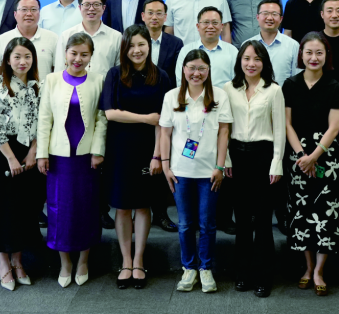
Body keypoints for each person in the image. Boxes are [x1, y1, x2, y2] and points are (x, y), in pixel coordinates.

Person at [101, 25, 176, 283]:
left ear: (149, 46)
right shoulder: (114, 74)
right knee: (122, 206)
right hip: (119, 148)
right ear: (124, 48)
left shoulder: (161, 76)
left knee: (143, 205)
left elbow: (163, 121)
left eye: (141, 44)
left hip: (149, 149)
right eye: (131, 45)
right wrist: (145, 118)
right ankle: (125, 261)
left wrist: (157, 156)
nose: (136, 50)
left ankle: (139, 260)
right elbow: (111, 113)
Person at [160, 49, 233, 294]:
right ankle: (189, 268)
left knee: (208, 223)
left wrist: (220, 166)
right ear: (183, 70)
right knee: (185, 224)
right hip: (180, 172)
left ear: (208, 70)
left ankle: (206, 268)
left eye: (202, 68)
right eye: (191, 67)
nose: (196, 73)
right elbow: (165, 133)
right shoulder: (172, 96)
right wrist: (165, 166)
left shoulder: (219, 96)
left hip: (209, 172)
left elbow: (224, 132)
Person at [38, 32, 107, 289]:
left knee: (86, 208)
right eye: (74, 53)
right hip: (58, 157)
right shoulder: (52, 79)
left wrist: (98, 150)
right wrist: (42, 153)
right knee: (60, 210)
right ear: (65, 53)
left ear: (91, 56)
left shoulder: (98, 80)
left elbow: (101, 119)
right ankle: (65, 262)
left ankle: (83, 261)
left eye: (84, 54)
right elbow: (44, 119)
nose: (78, 58)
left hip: (87, 158)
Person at [283, 33, 339, 296]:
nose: (314, 57)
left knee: (325, 214)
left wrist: (314, 156)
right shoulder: (290, 84)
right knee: (301, 213)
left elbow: (334, 127)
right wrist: (302, 155)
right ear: (301, 55)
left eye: (319, 52)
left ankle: (319, 270)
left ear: (326, 55)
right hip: (297, 157)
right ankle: (307, 267)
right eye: (308, 52)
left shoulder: (335, 85)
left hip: (326, 158)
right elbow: (287, 124)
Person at [0, 37, 43, 291]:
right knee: (1, 209)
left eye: (27, 56)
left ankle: (18, 261)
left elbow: (43, 122)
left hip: (29, 153)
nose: (22, 61)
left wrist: (33, 151)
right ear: (7, 60)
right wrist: (12, 157)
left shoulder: (37, 87)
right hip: (4, 152)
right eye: (17, 56)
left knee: (24, 209)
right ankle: (3, 264)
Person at [223, 40, 285, 297]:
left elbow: (279, 129)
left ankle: (263, 276)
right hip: (236, 157)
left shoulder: (274, 90)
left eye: (257, 59)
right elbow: (224, 128)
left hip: (263, 157)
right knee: (241, 219)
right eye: (246, 58)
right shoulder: (228, 89)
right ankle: (242, 273)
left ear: (264, 63)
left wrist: (277, 162)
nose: (251, 63)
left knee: (262, 220)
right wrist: (226, 158)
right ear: (239, 61)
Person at [55, 0, 122, 79]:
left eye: (96, 4)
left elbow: (119, 71)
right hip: (73, 87)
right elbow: (59, 69)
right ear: (80, 7)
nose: (91, 8)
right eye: (86, 4)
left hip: (105, 87)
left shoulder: (116, 37)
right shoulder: (67, 35)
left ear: (103, 8)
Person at [0, 0, 60, 79]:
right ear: (15, 14)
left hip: (44, 87)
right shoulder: (0, 40)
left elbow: (58, 71)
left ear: (39, 13)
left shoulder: (53, 38)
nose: (29, 14)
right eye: (24, 9)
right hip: (10, 87)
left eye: (33, 9)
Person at [174, 6, 238, 87]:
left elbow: (237, 81)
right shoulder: (186, 50)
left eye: (215, 23)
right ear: (198, 26)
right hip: (193, 95)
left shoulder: (232, 51)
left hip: (224, 95)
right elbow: (181, 82)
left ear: (221, 26)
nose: (210, 26)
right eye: (206, 22)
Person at [240, 0, 298, 85]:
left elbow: (297, 77)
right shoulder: (247, 45)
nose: (270, 18)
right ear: (257, 17)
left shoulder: (293, 45)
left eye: (274, 14)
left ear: (281, 19)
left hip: (284, 93)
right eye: (265, 13)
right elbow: (241, 75)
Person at [141, 0, 184, 81]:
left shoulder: (176, 43)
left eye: (159, 13)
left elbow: (177, 74)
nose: (154, 17)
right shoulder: (134, 41)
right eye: (150, 13)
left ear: (165, 17)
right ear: (143, 16)